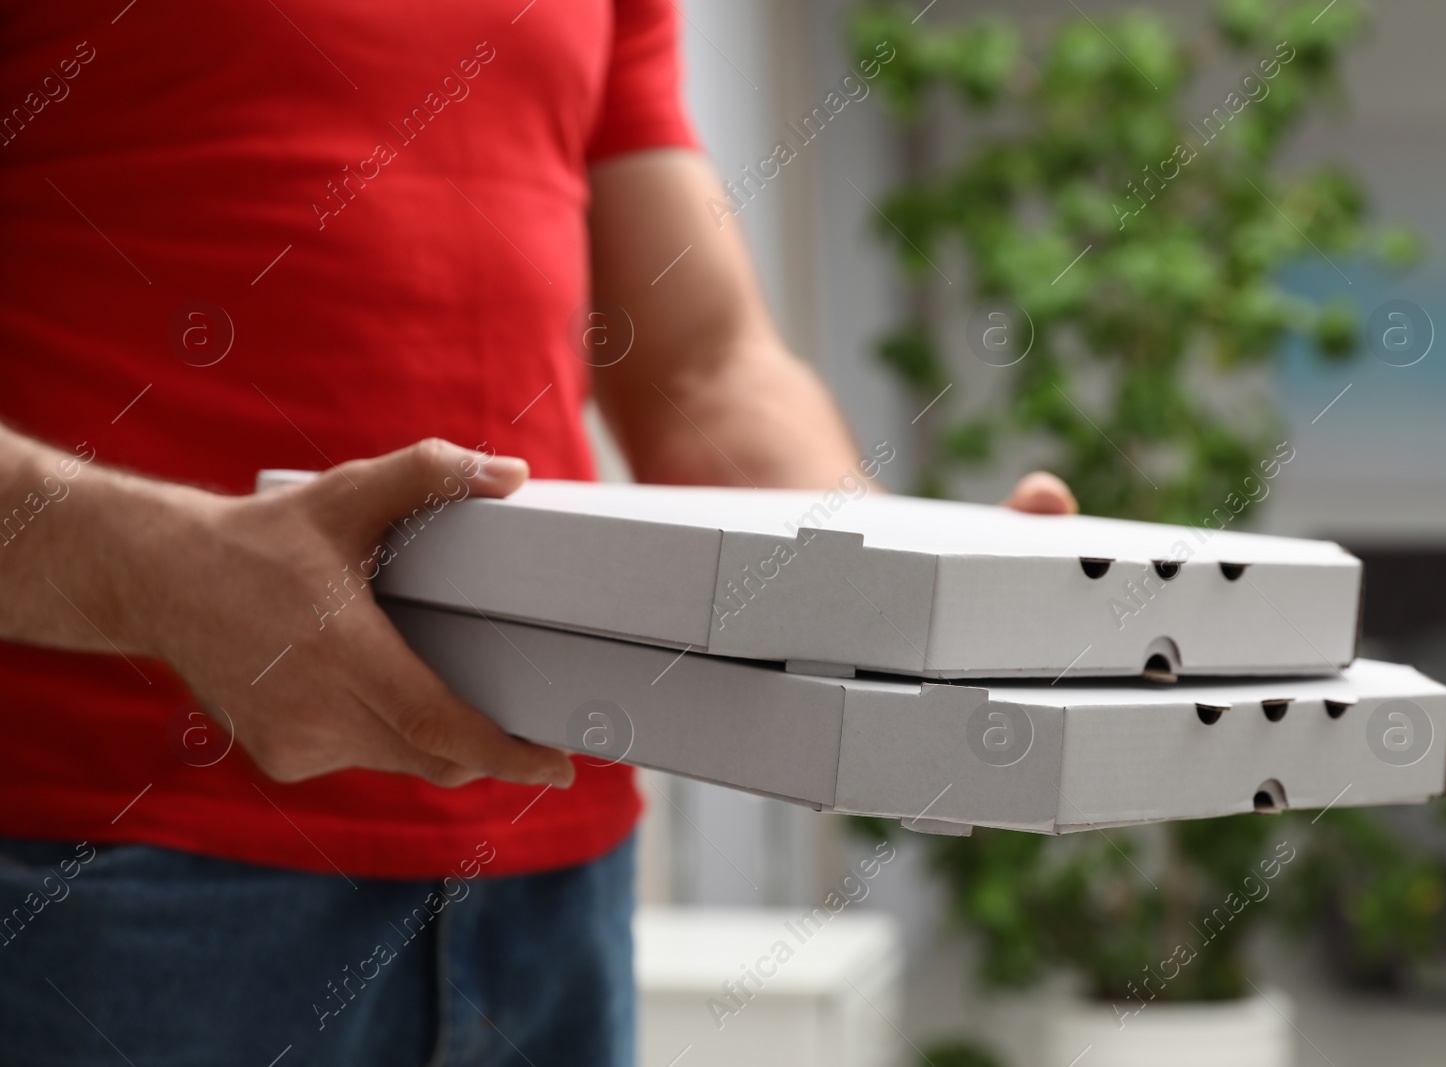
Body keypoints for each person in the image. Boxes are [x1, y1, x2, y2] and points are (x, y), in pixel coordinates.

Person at [0, 3, 1074, 1064]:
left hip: (553, 877)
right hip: (108, 862)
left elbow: (701, 362)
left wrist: (894, 574)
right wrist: (165, 580)